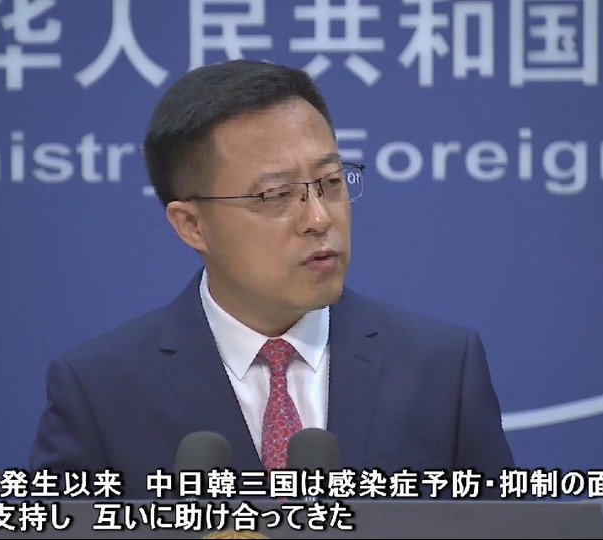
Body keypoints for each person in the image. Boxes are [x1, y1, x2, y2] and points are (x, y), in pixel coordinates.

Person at [30, 59, 514, 499]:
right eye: (276, 195)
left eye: (330, 183)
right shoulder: (99, 392)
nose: (318, 218)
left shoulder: (441, 370)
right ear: (191, 225)